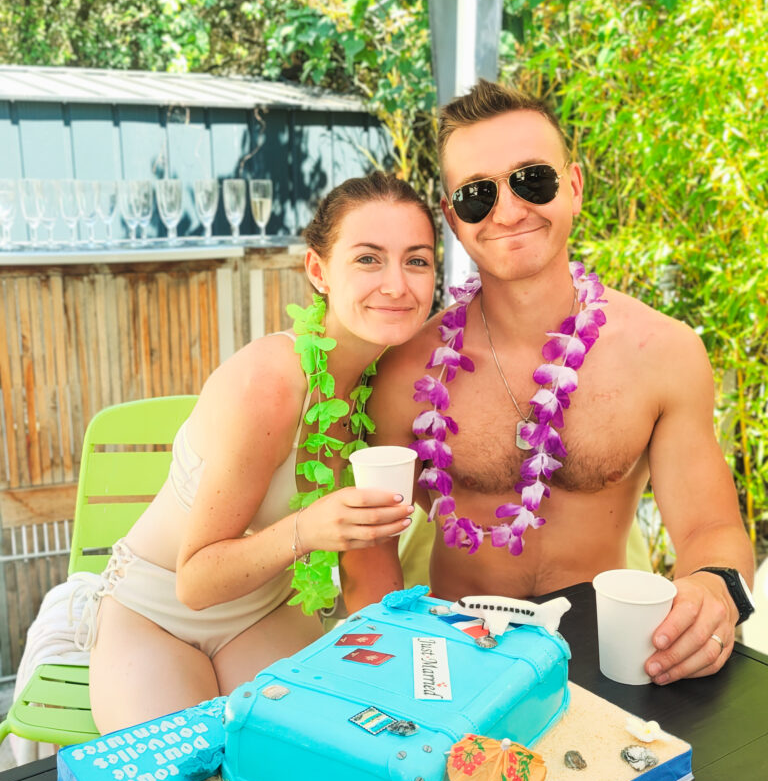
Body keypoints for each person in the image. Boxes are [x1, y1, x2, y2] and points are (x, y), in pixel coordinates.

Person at [342, 80, 755, 685]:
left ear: (575, 186)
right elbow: (370, 556)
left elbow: (710, 531)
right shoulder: (403, 371)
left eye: (532, 179)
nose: (509, 210)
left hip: (618, 659)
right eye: (478, 195)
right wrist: (399, 672)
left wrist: (714, 592)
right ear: (454, 219)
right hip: (456, 658)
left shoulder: (663, 353)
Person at [89, 172, 436, 732]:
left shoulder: (390, 388)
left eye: (416, 261)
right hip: (158, 614)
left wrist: (411, 680)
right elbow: (195, 582)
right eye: (369, 259)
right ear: (318, 271)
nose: (396, 284)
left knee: (321, 756)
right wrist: (308, 530)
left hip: (266, 610)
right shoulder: (270, 383)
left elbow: (369, 563)